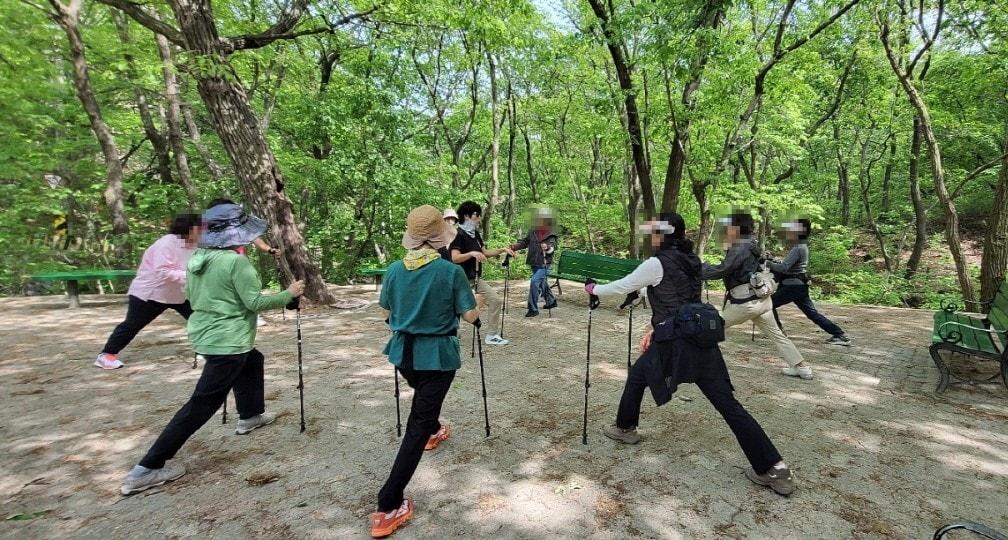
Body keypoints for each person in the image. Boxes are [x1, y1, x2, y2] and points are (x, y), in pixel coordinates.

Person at [585, 213, 796, 497]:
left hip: (673, 340)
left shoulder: (657, 262)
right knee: (726, 403)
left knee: (637, 377)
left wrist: (593, 289)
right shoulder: (692, 259)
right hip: (699, 336)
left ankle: (625, 428)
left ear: (662, 235)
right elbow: (678, 295)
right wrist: (652, 323)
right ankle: (774, 467)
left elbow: (624, 286)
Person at [119, 203, 304, 495]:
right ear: (236, 233)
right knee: (203, 403)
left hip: (207, 334)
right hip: (228, 341)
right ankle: (147, 468)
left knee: (253, 360)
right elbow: (254, 303)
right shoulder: (236, 262)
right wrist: (288, 294)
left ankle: (250, 415)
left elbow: (191, 296)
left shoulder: (198, 257)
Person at [371, 205, 480, 538]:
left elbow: (386, 312)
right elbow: (469, 315)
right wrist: (476, 313)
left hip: (403, 355)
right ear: (439, 238)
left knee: (424, 408)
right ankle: (388, 504)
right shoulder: (450, 273)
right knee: (417, 424)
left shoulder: (393, 270)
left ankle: (434, 429)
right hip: (437, 358)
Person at [702, 213, 813, 380]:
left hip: (746, 303)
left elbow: (724, 269)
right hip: (761, 300)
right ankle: (802, 368)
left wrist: (699, 269)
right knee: (776, 334)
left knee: (709, 326)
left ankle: (690, 361)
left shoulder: (740, 246)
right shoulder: (751, 244)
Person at [94, 214, 202, 370]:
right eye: (200, 228)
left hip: (179, 293)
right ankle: (106, 355)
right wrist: (190, 276)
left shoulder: (195, 246)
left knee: (200, 318)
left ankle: (205, 350)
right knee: (132, 324)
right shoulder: (165, 244)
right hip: (151, 293)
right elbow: (162, 271)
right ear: (189, 229)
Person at [769, 219, 851, 346]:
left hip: (793, 286)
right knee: (812, 314)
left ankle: (779, 333)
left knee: (768, 304)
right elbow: (789, 265)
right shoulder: (801, 246)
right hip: (798, 286)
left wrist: (767, 263)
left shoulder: (798, 248)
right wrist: (775, 261)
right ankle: (840, 335)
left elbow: (784, 268)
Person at [449, 201, 514, 346]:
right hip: (460, 280)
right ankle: (451, 333)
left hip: (476, 278)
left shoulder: (475, 234)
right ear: (466, 216)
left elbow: (485, 252)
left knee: (495, 300)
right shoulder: (457, 234)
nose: (479, 218)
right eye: (476, 215)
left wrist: (503, 249)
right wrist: (471, 253)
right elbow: (454, 258)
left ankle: (491, 335)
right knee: (457, 308)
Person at [208, 198, 279, 328]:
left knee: (247, 288)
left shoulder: (239, 226)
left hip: (238, 264)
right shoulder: (208, 230)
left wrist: (270, 250)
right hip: (216, 265)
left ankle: (252, 315)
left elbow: (257, 240)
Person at [511, 207, 558, 317]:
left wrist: (547, 247)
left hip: (544, 263)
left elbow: (552, 248)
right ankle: (551, 301)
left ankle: (533, 308)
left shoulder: (551, 234)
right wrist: (514, 247)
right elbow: (525, 242)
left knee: (535, 281)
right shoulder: (533, 230)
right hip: (534, 261)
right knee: (541, 282)